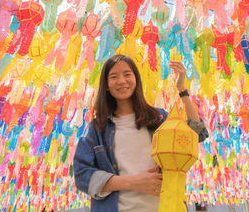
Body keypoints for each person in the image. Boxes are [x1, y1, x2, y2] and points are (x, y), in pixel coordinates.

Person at [73, 54, 209, 212]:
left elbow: (196, 134)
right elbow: (82, 174)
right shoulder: (97, 129)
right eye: (114, 76)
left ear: (136, 79)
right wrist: (132, 182)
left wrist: (182, 90)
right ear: (107, 86)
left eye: (127, 74)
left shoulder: (159, 118)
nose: (122, 81)